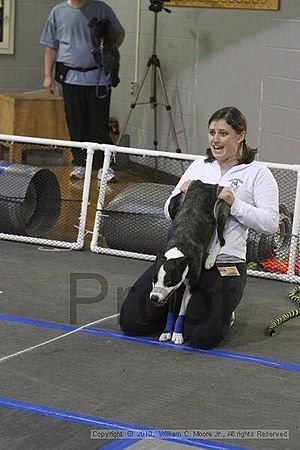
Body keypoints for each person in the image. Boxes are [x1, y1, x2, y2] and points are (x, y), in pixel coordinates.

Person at [119, 106, 279, 349]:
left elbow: (270, 223)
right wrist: (180, 196)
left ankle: (220, 314)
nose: (216, 139)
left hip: (225, 262)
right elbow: (167, 211)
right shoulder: (198, 166)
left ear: (240, 135)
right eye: (212, 132)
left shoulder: (258, 173)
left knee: (202, 336)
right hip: (181, 261)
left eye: (223, 133)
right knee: (131, 321)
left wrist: (235, 204)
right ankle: (174, 302)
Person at [40, 0, 125, 181]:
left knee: (98, 124)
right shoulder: (58, 12)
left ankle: (104, 166)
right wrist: (47, 75)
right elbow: (50, 47)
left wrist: (109, 48)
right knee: (75, 123)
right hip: (71, 78)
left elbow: (119, 33)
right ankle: (80, 163)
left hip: (97, 79)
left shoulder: (102, 9)